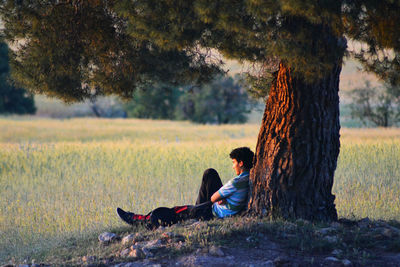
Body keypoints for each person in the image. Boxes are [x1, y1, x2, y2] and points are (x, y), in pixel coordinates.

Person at [116, 147, 254, 229]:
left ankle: (137, 220)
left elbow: (213, 198)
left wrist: (220, 198)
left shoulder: (236, 182)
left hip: (213, 213)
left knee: (174, 211)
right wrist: (223, 198)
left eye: (234, 162)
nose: (233, 166)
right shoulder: (250, 177)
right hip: (220, 208)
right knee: (210, 173)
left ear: (241, 163)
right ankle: (195, 210)